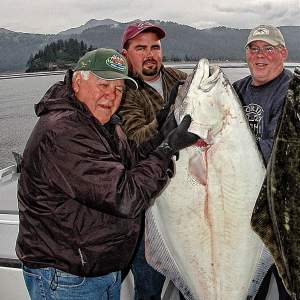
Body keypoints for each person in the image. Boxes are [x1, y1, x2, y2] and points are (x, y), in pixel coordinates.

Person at [15, 48, 199, 300]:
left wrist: (160, 136)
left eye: (119, 89)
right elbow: (125, 196)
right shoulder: (64, 131)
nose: (111, 96)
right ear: (78, 81)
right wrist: (166, 150)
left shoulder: (99, 121)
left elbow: (130, 159)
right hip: (68, 277)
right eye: (103, 85)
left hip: (97, 268)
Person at [118, 21, 188, 300]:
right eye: (140, 48)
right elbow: (135, 139)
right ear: (125, 54)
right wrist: (164, 124)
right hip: (147, 210)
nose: (150, 54)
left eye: (155, 47)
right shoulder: (121, 91)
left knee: (189, 275)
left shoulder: (179, 79)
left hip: (185, 200)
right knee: (150, 285)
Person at [233, 24, 293, 300]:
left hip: (283, 216)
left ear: (283, 54)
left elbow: (280, 148)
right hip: (241, 209)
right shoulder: (236, 90)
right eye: (254, 48)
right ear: (246, 54)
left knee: (288, 289)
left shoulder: (294, 92)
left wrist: (227, 153)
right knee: (247, 284)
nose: (260, 55)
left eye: (268, 49)